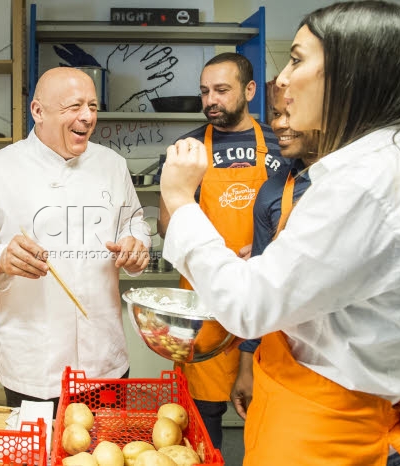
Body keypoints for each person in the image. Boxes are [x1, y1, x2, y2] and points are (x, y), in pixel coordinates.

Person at [159, 1, 400, 464]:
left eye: (296, 59)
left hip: (329, 435)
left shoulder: (369, 184)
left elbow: (251, 305)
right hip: (322, 407)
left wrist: (178, 200)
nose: (283, 81)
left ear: (353, 73)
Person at [230, 80, 400, 465]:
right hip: (295, 395)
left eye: (289, 113)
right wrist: (249, 365)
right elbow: (262, 297)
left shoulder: (385, 188)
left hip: (373, 405)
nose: (281, 123)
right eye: (276, 114)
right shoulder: (272, 193)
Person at [0, 67, 151, 415]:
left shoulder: (112, 165)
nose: (87, 117)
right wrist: (0, 258)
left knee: (102, 453)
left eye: (93, 106)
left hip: (106, 358)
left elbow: (134, 221)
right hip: (34, 364)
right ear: (38, 111)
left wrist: (135, 243)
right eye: (74, 106)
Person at [155, 52, 287, 451]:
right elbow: (166, 225)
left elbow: (300, 217)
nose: (211, 100)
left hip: (267, 299)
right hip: (203, 303)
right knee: (201, 415)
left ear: (248, 91)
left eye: (222, 90)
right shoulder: (186, 150)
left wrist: (271, 248)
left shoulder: (282, 146)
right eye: (204, 92)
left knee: (266, 411)